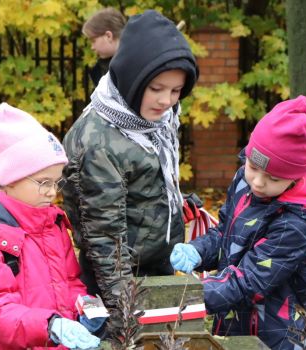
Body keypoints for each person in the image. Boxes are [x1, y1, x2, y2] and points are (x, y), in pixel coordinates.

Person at [170, 96, 306, 349]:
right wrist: (198, 251)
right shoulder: (245, 183)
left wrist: (189, 298)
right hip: (236, 322)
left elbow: (249, 281)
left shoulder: (298, 224)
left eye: (273, 178)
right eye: (253, 167)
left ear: (295, 177)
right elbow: (226, 233)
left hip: (278, 337)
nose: (257, 182)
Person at [62, 9, 199, 307]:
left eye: (176, 91)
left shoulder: (153, 121)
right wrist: (124, 310)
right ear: (131, 79)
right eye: (156, 89)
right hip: (117, 284)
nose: (167, 101)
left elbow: (145, 181)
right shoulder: (97, 141)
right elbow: (104, 239)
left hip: (155, 265)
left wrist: (172, 202)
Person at [0, 103, 103, 349]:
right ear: (11, 179)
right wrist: (49, 325)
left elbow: (72, 282)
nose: (52, 192)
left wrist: (91, 309)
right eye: (43, 182)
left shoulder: (53, 224)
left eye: (56, 182)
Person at [82, 7, 126, 86]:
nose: (92, 47)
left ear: (108, 36)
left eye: (93, 41)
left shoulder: (132, 66)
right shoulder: (102, 68)